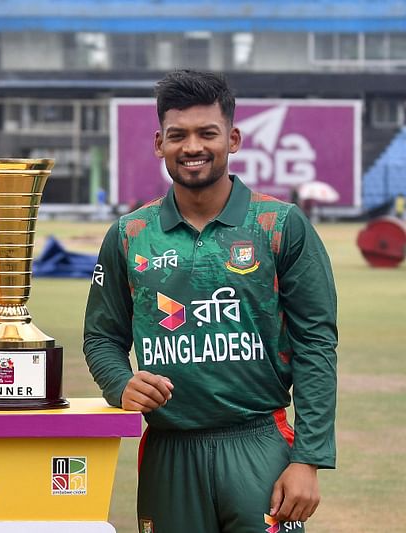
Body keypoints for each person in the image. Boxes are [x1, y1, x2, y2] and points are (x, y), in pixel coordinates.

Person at [83, 70, 337, 533]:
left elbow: (316, 345)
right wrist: (120, 384)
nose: (193, 147)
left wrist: (309, 459)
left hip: (258, 441)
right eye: (178, 135)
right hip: (168, 447)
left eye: (207, 133)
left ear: (233, 139)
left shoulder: (279, 225)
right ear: (160, 143)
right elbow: (102, 335)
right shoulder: (130, 235)